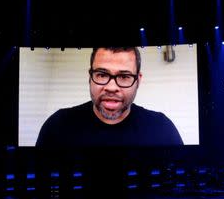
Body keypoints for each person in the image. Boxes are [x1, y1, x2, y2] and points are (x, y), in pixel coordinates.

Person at [36, 47, 183, 147]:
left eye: (124, 76)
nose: (111, 88)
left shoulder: (162, 130)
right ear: (90, 77)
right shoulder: (57, 126)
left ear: (138, 80)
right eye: (102, 74)